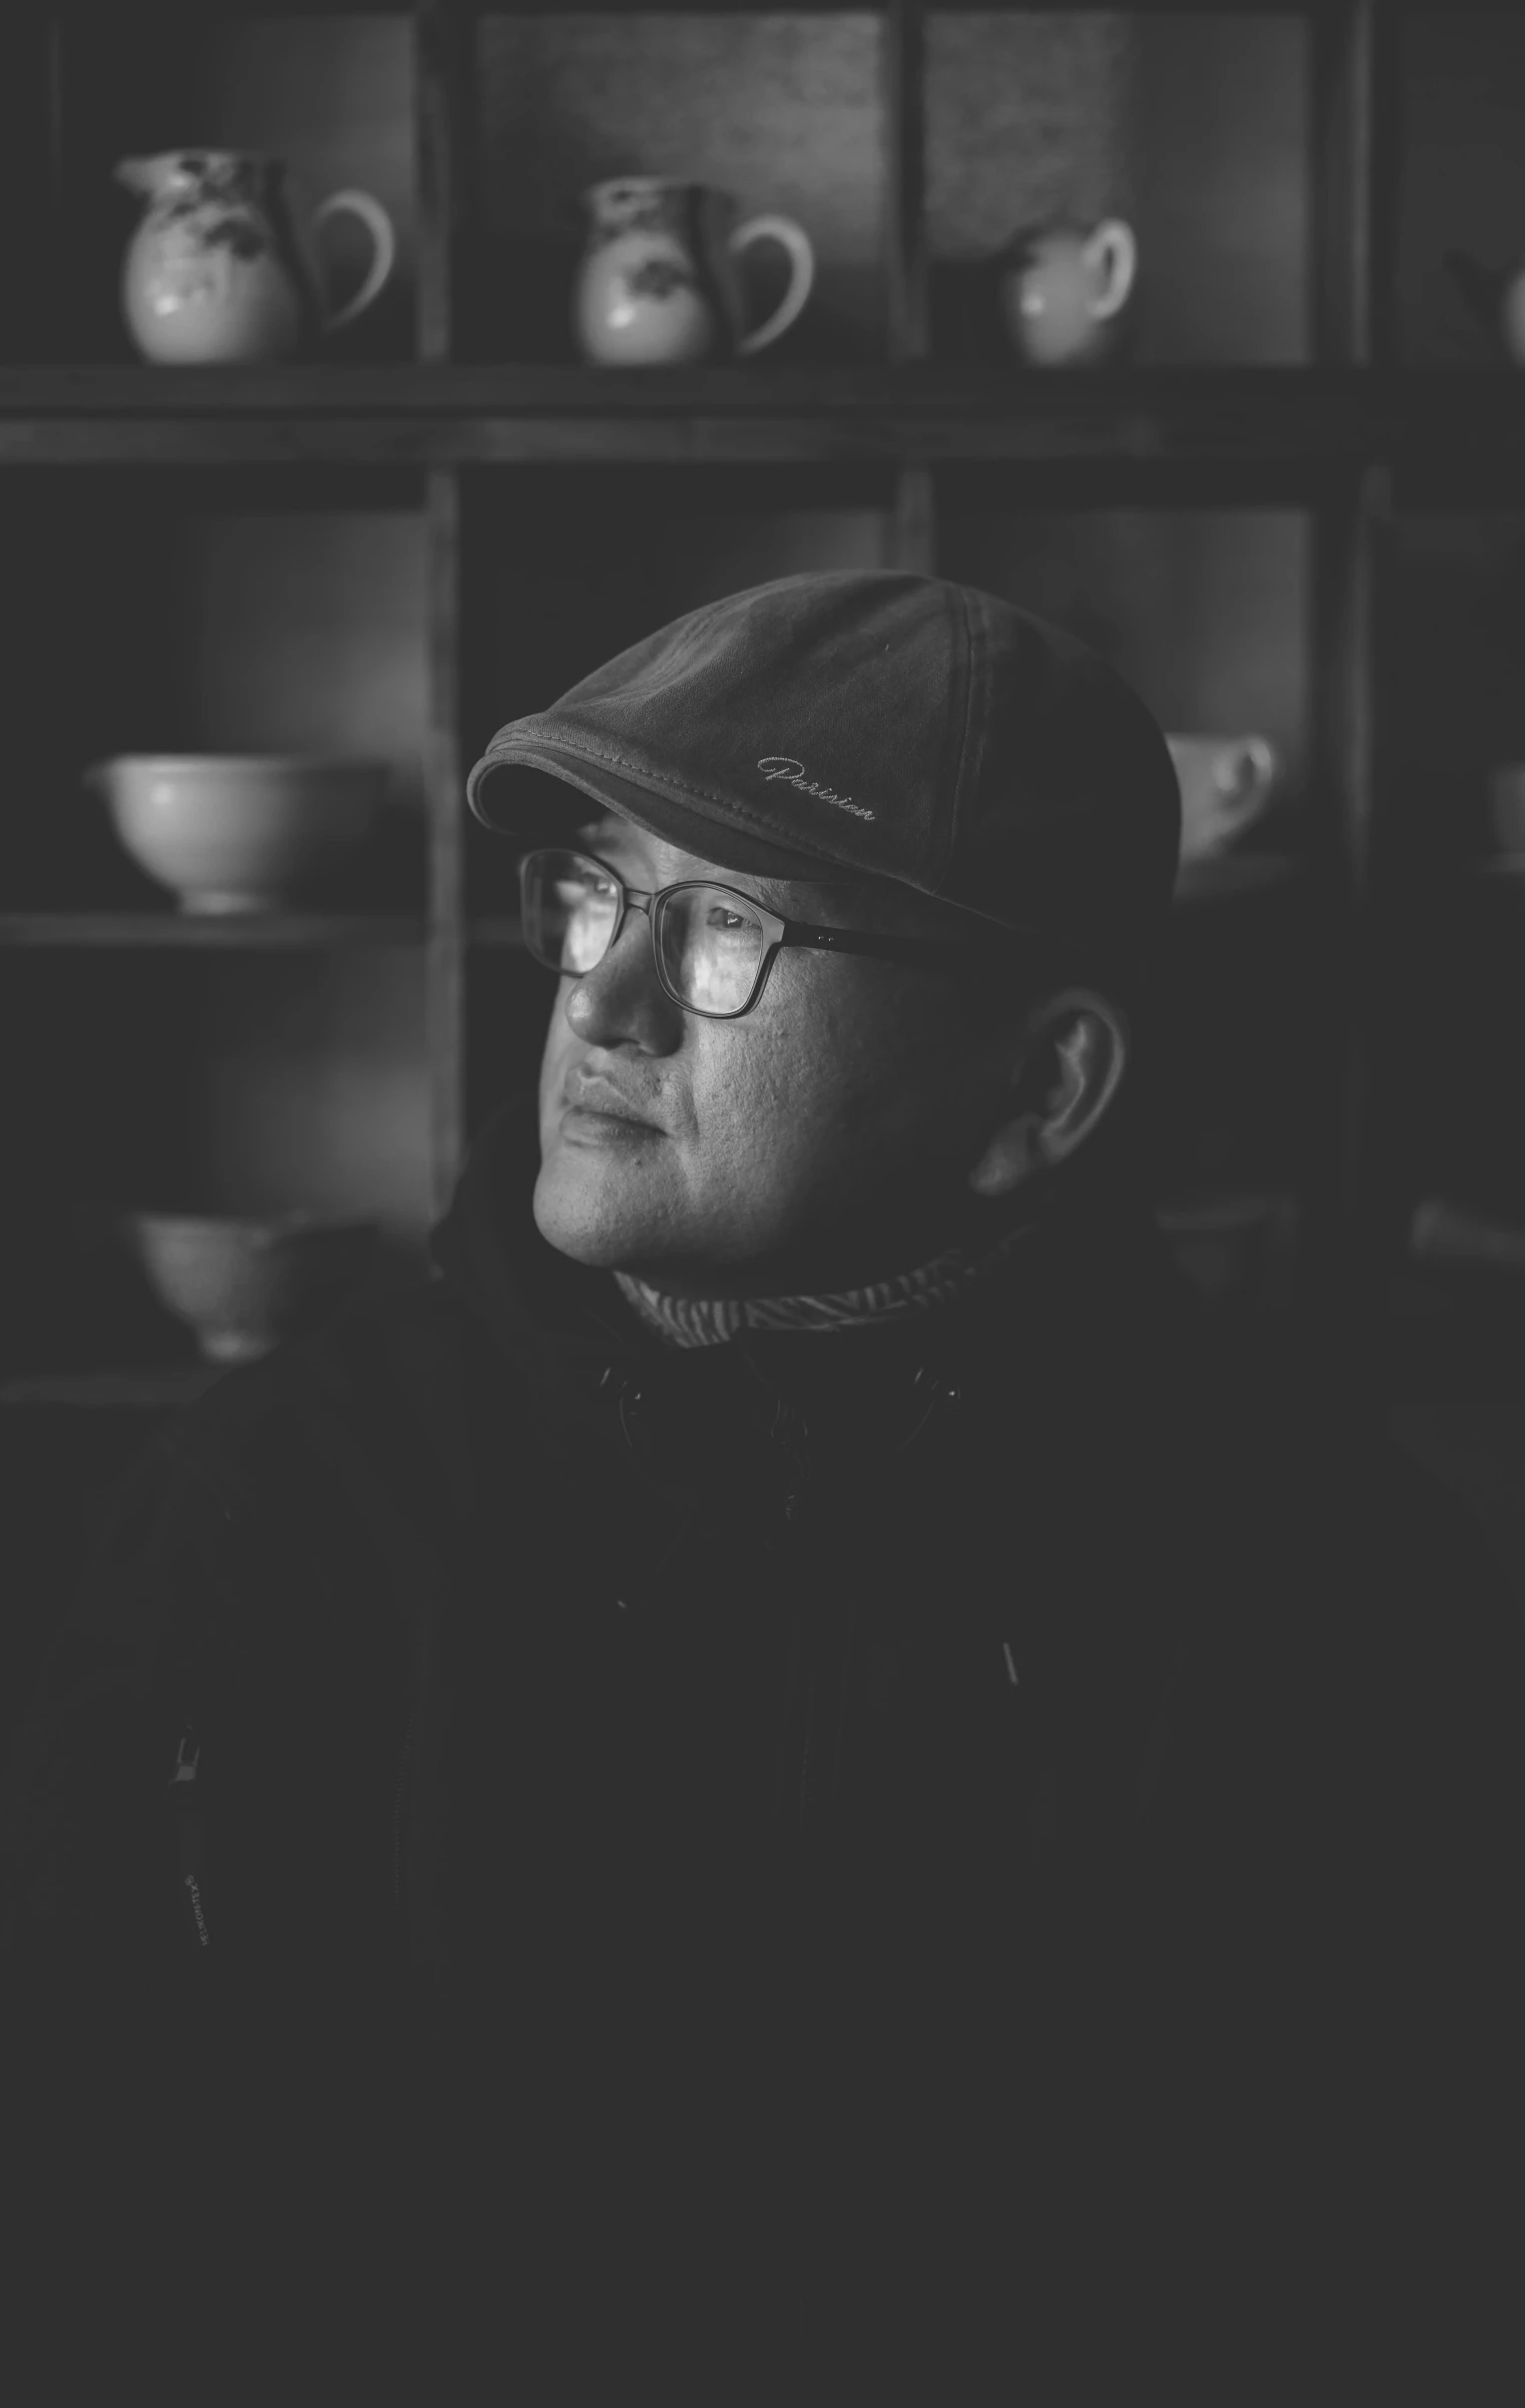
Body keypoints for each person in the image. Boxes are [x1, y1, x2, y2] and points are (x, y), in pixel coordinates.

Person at [2, 570, 1518, 2389]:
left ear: (1037, 1089)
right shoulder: (279, 1505)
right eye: (594, 898)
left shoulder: (1328, 1588)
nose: (607, 1000)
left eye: (724, 931)